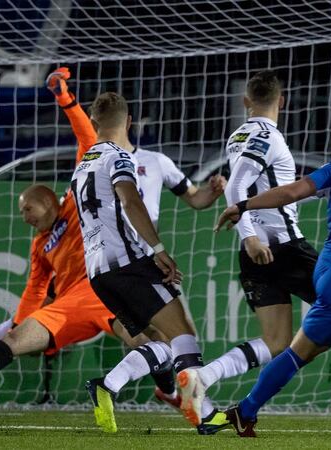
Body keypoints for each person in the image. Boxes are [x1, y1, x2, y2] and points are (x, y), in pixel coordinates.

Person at [0, 70, 170, 414]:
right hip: (75, 303)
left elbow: (87, 138)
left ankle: (170, 392)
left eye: (28, 208)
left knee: (152, 342)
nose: (25, 216)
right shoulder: (40, 246)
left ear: (50, 200)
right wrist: (25, 321)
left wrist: (66, 100)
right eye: (22, 211)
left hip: (106, 286)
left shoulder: (74, 201)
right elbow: (34, 289)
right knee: (13, 337)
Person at [177, 71, 331, 421]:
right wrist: (250, 233)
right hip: (281, 247)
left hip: (254, 255)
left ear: (246, 101)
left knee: (277, 343)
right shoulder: (268, 136)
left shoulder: (238, 135)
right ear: (283, 100)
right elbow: (240, 188)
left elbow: (285, 192)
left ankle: (204, 375)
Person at [70, 91, 230, 434]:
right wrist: (157, 249)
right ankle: (203, 413)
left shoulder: (82, 166)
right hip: (131, 261)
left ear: (94, 123)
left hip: (98, 272)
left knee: (161, 342)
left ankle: (109, 386)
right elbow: (129, 200)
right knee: (184, 335)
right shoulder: (118, 157)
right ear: (128, 122)